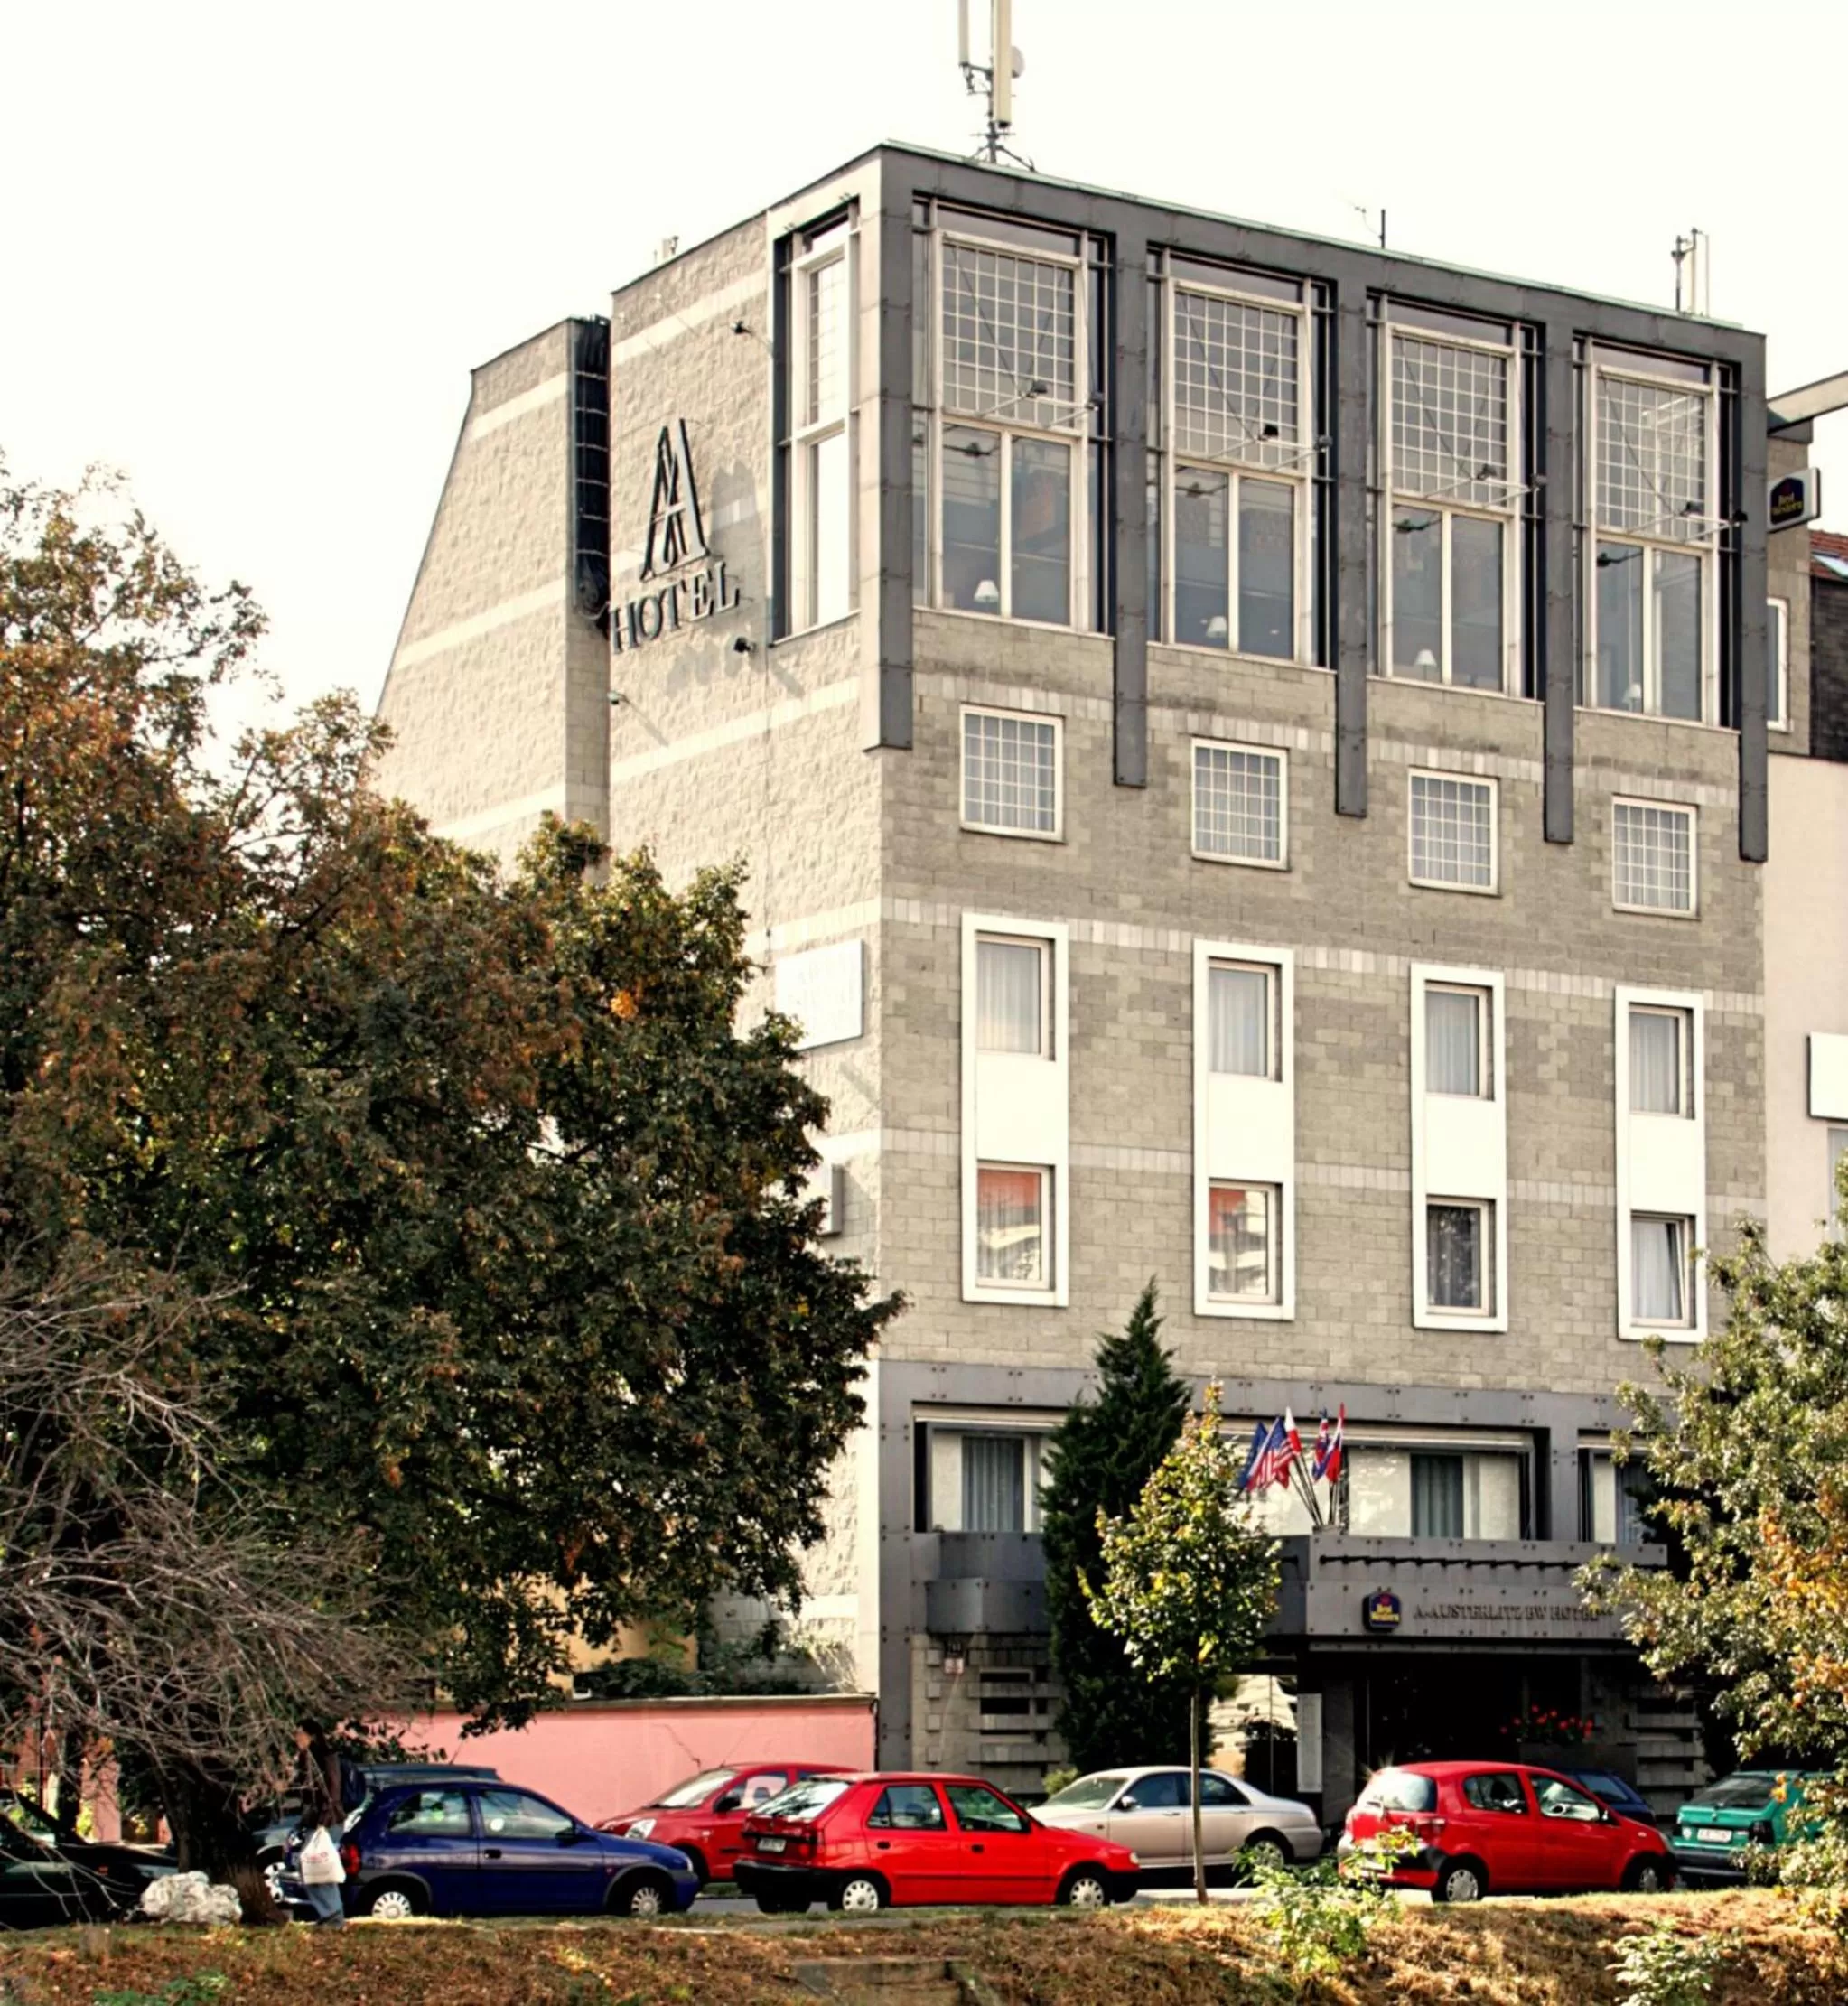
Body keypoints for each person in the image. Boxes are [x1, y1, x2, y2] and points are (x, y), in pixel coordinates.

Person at [292, 1721, 346, 1927]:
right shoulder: (307, 1759)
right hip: (317, 1822)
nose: (296, 1738)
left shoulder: (325, 1758)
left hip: (327, 1822)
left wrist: (324, 1819)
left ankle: (333, 1916)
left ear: (311, 1735)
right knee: (313, 1866)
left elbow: (332, 1792)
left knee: (319, 1865)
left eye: (299, 1733)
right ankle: (330, 1915)